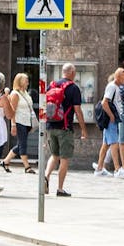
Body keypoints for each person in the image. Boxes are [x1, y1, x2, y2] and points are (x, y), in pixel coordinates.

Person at [42, 63, 85, 197]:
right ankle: (60, 188)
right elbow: (77, 110)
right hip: (65, 128)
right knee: (65, 158)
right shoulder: (73, 88)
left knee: (54, 155)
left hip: (51, 126)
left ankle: (46, 177)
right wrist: (83, 129)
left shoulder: (52, 85)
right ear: (72, 72)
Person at [1, 72, 36, 174]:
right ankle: (27, 166)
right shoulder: (15, 94)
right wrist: (13, 124)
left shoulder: (25, 93)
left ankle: (5, 161)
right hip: (19, 121)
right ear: (20, 82)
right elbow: (13, 110)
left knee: (20, 144)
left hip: (26, 122)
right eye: (26, 81)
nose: (28, 83)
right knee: (23, 144)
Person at [97, 68, 124, 176]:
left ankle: (99, 168)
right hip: (111, 119)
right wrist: (112, 115)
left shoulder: (115, 87)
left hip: (112, 119)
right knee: (114, 143)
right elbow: (105, 102)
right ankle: (117, 169)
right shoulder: (112, 86)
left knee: (106, 144)